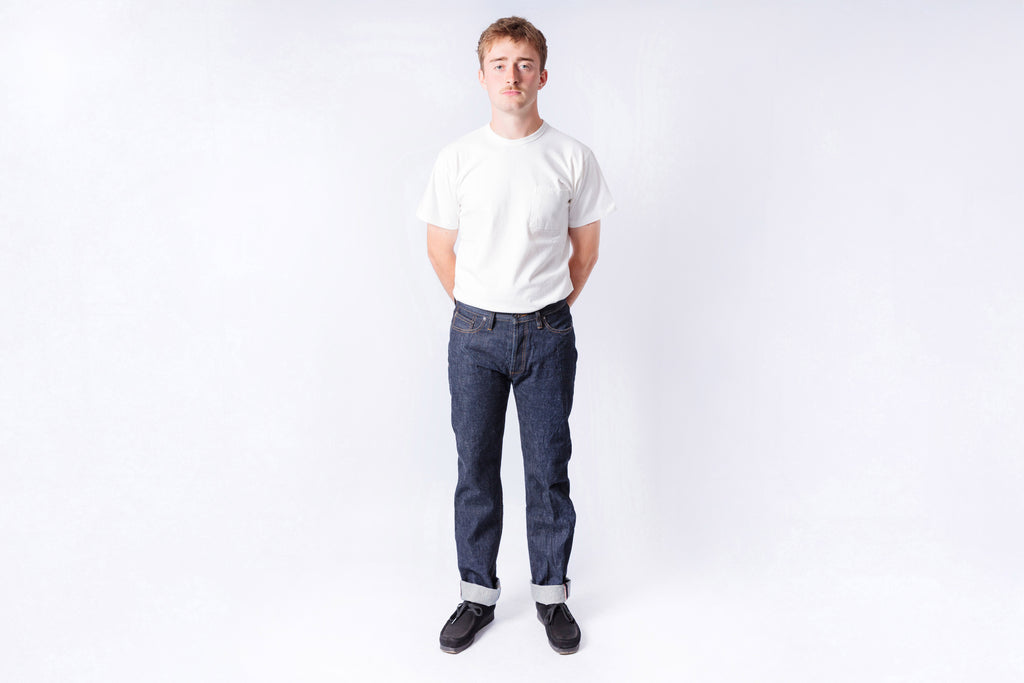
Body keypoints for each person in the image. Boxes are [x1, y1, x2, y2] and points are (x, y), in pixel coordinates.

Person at [417, 16, 614, 655]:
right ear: (482, 76)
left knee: (547, 467)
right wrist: (483, 309)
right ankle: (477, 595)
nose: (512, 75)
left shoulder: (571, 156)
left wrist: (540, 308)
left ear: (543, 75)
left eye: (524, 63)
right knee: (475, 465)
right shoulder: (458, 158)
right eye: (500, 63)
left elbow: (583, 251)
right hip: (474, 331)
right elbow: (439, 246)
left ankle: (551, 596)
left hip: (548, 332)